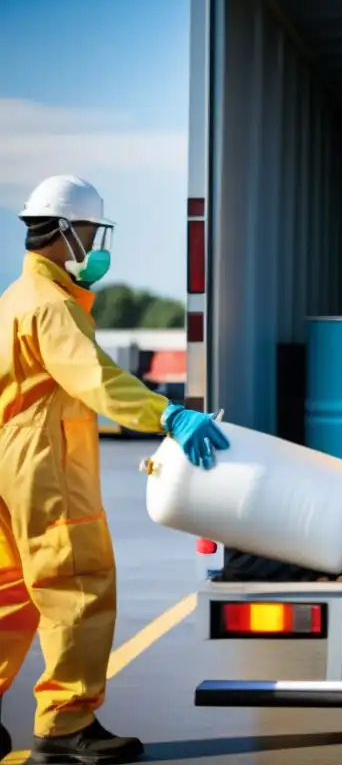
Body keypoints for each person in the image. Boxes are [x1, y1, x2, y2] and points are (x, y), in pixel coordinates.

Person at [0, 175, 230, 763]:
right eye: (88, 232)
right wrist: (168, 414)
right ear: (64, 234)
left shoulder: (15, 298)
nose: (95, 244)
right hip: (44, 468)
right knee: (77, 584)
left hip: (8, 462)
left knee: (9, 595)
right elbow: (96, 379)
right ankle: (65, 726)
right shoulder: (52, 308)